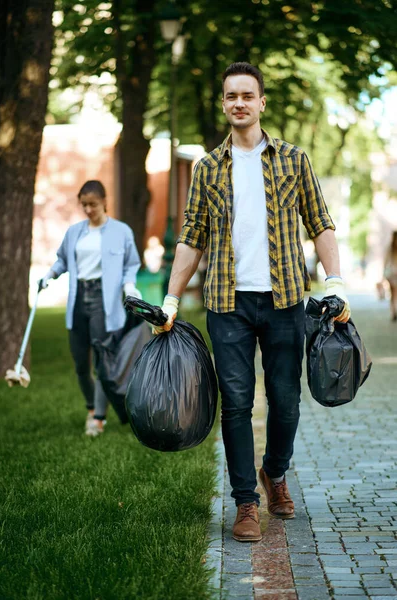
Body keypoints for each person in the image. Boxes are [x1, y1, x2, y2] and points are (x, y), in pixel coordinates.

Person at [153, 62, 351, 542]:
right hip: (228, 302)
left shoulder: (293, 159)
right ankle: (246, 502)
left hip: (285, 300)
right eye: (230, 96)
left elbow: (319, 222)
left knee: (285, 402)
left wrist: (336, 281)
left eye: (247, 95)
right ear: (224, 104)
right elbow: (191, 236)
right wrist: (172, 298)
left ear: (262, 103)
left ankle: (275, 474)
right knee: (237, 403)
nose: (238, 103)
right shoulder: (206, 168)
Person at [40, 180, 142, 436]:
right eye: (84, 204)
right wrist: (49, 275)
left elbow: (131, 264)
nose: (88, 209)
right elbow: (63, 260)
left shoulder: (121, 231)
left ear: (105, 201)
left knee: (101, 362)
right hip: (78, 299)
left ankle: (98, 418)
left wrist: (129, 286)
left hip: (104, 301)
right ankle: (90, 406)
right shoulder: (75, 232)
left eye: (93, 204)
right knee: (80, 365)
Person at [384, 231, 397, 321]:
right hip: (392, 274)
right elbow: (386, 261)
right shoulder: (390, 249)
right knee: (393, 293)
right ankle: (393, 311)